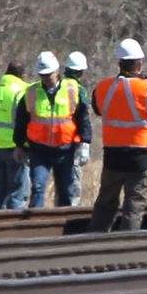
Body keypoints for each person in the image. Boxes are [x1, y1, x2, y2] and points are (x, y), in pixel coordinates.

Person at [88, 39, 147, 232]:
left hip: (112, 155)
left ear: (119, 63)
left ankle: (93, 240)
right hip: (140, 156)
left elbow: (98, 108)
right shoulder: (146, 89)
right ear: (139, 63)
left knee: (105, 201)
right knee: (134, 204)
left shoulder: (102, 88)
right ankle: (127, 244)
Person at [13, 52, 91, 208]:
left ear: (57, 71)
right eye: (42, 75)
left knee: (65, 191)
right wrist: (19, 145)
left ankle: (65, 226)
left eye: (49, 74)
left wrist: (85, 142)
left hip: (65, 150)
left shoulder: (73, 90)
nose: (46, 78)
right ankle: (36, 225)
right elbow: (21, 121)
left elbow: (83, 118)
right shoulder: (31, 93)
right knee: (38, 187)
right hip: (39, 151)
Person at [0, 61, 30, 210]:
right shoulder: (23, 91)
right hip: (15, 147)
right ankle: (14, 230)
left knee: (1, 191)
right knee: (17, 192)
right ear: (22, 75)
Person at [63, 51, 90, 206]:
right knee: (74, 184)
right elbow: (84, 117)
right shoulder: (79, 90)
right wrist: (85, 143)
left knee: (62, 183)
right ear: (80, 71)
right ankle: (71, 216)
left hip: (58, 142)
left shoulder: (58, 85)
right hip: (74, 141)